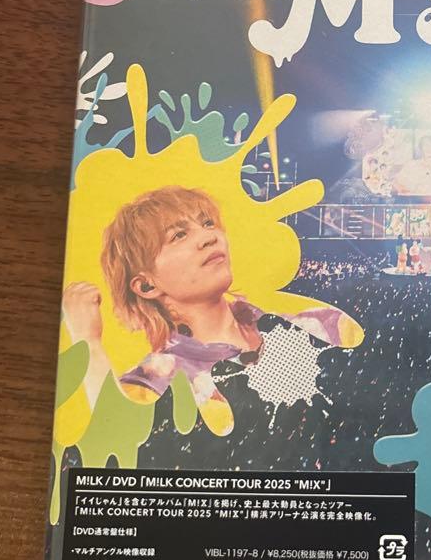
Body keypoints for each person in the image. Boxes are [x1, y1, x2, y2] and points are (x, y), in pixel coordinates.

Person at [61, 186, 356, 435]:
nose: (209, 237)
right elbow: (118, 430)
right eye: (178, 235)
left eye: (208, 223)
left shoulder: (310, 324)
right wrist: (88, 341)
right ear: (147, 285)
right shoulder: (161, 379)